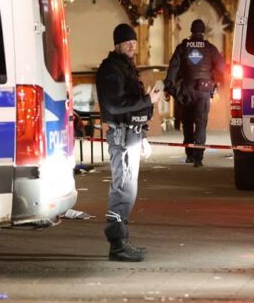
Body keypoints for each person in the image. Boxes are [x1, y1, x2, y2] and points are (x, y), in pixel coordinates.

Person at [96, 23, 159, 262]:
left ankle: (122, 239)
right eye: (127, 42)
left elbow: (132, 103)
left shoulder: (126, 68)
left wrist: (142, 135)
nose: (132, 46)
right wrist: (147, 99)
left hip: (130, 135)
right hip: (121, 136)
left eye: (134, 42)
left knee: (129, 190)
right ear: (117, 44)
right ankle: (117, 244)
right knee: (123, 189)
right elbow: (115, 105)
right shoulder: (111, 69)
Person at [165, 19, 226, 167]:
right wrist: (217, 85)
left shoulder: (182, 47)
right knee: (200, 123)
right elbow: (222, 67)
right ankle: (198, 158)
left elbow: (172, 68)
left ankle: (189, 155)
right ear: (203, 32)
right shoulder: (210, 48)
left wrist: (169, 88)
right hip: (204, 91)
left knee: (187, 123)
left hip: (185, 90)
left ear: (191, 32)